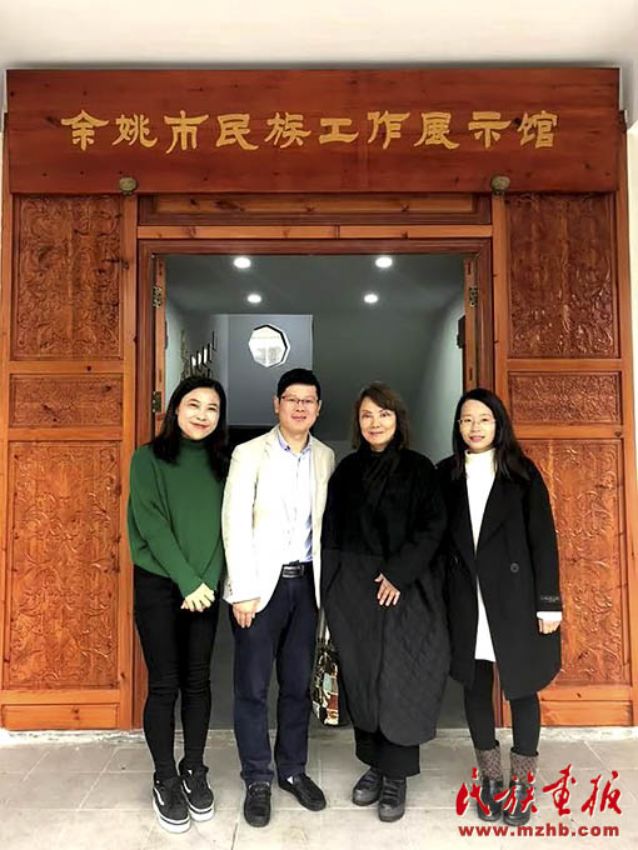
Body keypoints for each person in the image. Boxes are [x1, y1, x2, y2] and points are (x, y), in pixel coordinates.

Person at [321, 382, 448, 823]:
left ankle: (397, 775)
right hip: (353, 591)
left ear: (398, 420)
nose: (375, 423)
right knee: (363, 676)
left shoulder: (419, 469)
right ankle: (374, 764)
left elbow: (433, 527)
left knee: (401, 678)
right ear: (357, 423)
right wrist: (330, 590)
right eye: (367, 415)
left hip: (405, 589)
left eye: (384, 414)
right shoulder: (346, 470)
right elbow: (331, 531)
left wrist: (398, 573)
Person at [437, 387, 562, 826]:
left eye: (484, 419)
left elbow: (543, 540)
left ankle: (522, 783)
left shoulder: (521, 473)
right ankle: (491, 779)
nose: (475, 427)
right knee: (475, 688)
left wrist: (549, 605)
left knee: (523, 689)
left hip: (515, 600)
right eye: (467, 420)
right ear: (458, 426)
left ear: (498, 424)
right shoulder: (445, 475)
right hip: (465, 599)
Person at [222, 368, 335, 828]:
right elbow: (234, 521)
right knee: (252, 687)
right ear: (277, 404)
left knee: (296, 685)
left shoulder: (325, 456)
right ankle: (257, 778)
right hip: (259, 589)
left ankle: (292, 770)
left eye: (309, 400)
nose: (300, 407)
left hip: (306, 587)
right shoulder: (249, 453)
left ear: (318, 408)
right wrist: (242, 590)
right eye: (292, 399)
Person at [127, 376, 228, 833]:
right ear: (175, 409)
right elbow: (150, 524)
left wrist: (207, 581)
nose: (203, 415)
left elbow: (228, 526)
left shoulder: (225, 464)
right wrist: (187, 581)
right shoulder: (147, 459)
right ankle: (165, 777)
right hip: (159, 586)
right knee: (165, 684)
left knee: (198, 682)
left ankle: (193, 768)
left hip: (203, 588)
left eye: (212, 408)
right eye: (194, 405)